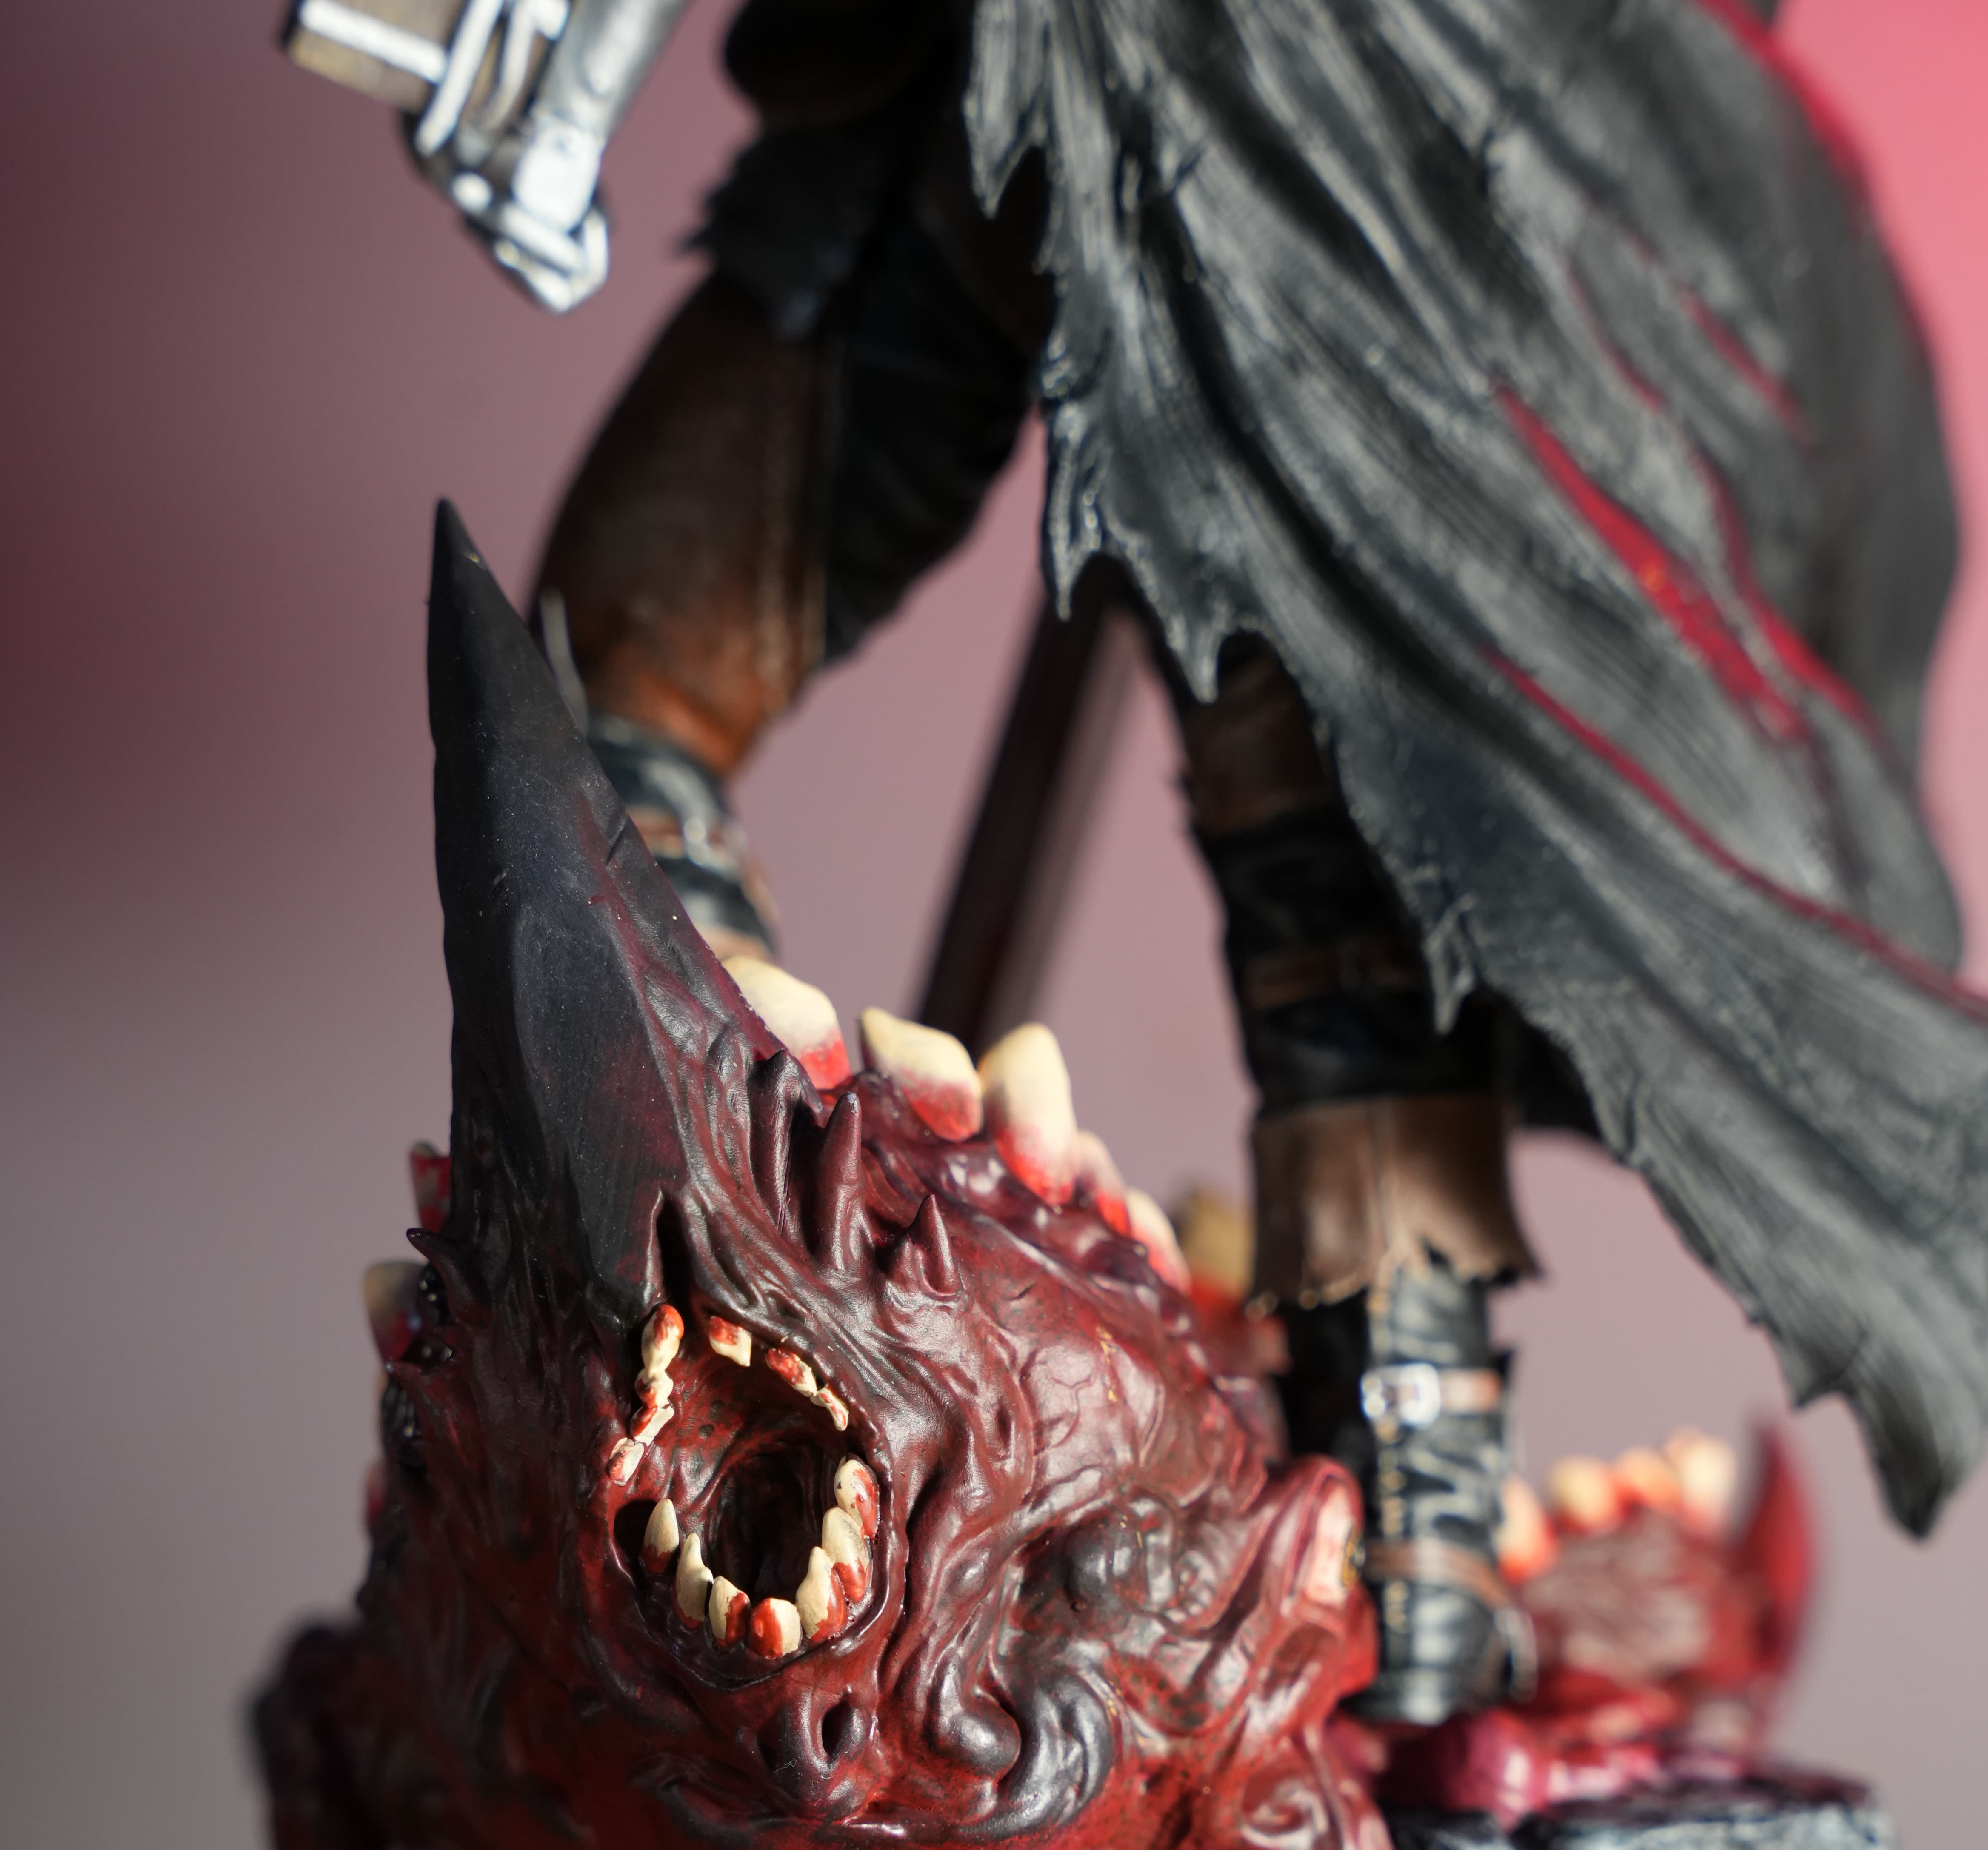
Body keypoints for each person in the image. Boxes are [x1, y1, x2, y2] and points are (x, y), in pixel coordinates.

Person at [388, 0, 1988, 1719]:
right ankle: (701, 1239)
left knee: (1345, 822)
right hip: (997, 89)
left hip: (1332, 156)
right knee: (608, 729)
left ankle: (1414, 1565)